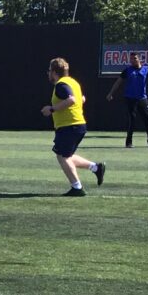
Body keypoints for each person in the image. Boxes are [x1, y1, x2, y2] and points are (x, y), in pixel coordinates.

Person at [42, 58, 106, 196]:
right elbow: (82, 98)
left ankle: (77, 187)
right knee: (66, 155)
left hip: (70, 126)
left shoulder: (61, 84)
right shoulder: (73, 82)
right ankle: (96, 168)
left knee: (62, 157)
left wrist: (52, 109)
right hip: (77, 125)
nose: (48, 74)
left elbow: (72, 100)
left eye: (49, 71)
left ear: (54, 72)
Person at [106, 52, 148, 148]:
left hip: (142, 98)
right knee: (132, 119)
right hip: (130, 99)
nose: (132, 60)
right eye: (131, 59)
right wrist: (110, 93)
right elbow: (118, 82)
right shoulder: (127, 70)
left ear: (139, 59)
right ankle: (129, 142)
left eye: (134, 58)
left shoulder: (146, 69)